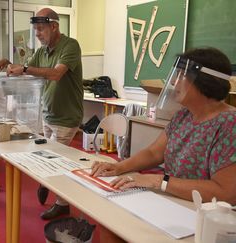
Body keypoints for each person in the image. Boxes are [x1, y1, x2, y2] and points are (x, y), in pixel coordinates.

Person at [90, 47, 236, 243]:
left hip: (206, 218)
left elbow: (226, 192)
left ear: (203, 81)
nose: (174, 81)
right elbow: (153, 153)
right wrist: (118, 167)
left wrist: (160, 182)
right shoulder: (183, 115)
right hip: (174, 202)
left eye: (181, 75)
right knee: (111, 224)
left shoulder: (229, 124)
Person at [7, 8, 84, 220]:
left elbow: (57, 74)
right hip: (47, 114)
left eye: (41, 29)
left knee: (56, 161)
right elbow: (27, 73)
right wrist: (10, 68)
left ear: (54, 26)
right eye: (36, 30)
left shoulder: (70, 46)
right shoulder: (42, 52)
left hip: (66, 116)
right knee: (45, 156)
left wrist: (23, 69)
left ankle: (62, 204)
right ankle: (47, 183)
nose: (38, 34)